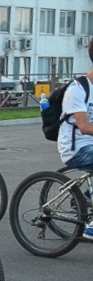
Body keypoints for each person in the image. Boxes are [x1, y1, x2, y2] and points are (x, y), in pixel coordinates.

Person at [57, 39, 93, 239]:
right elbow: (85, 127)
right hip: (76, 148)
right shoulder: (78, 88)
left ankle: (87, 198)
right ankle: (91, 227)